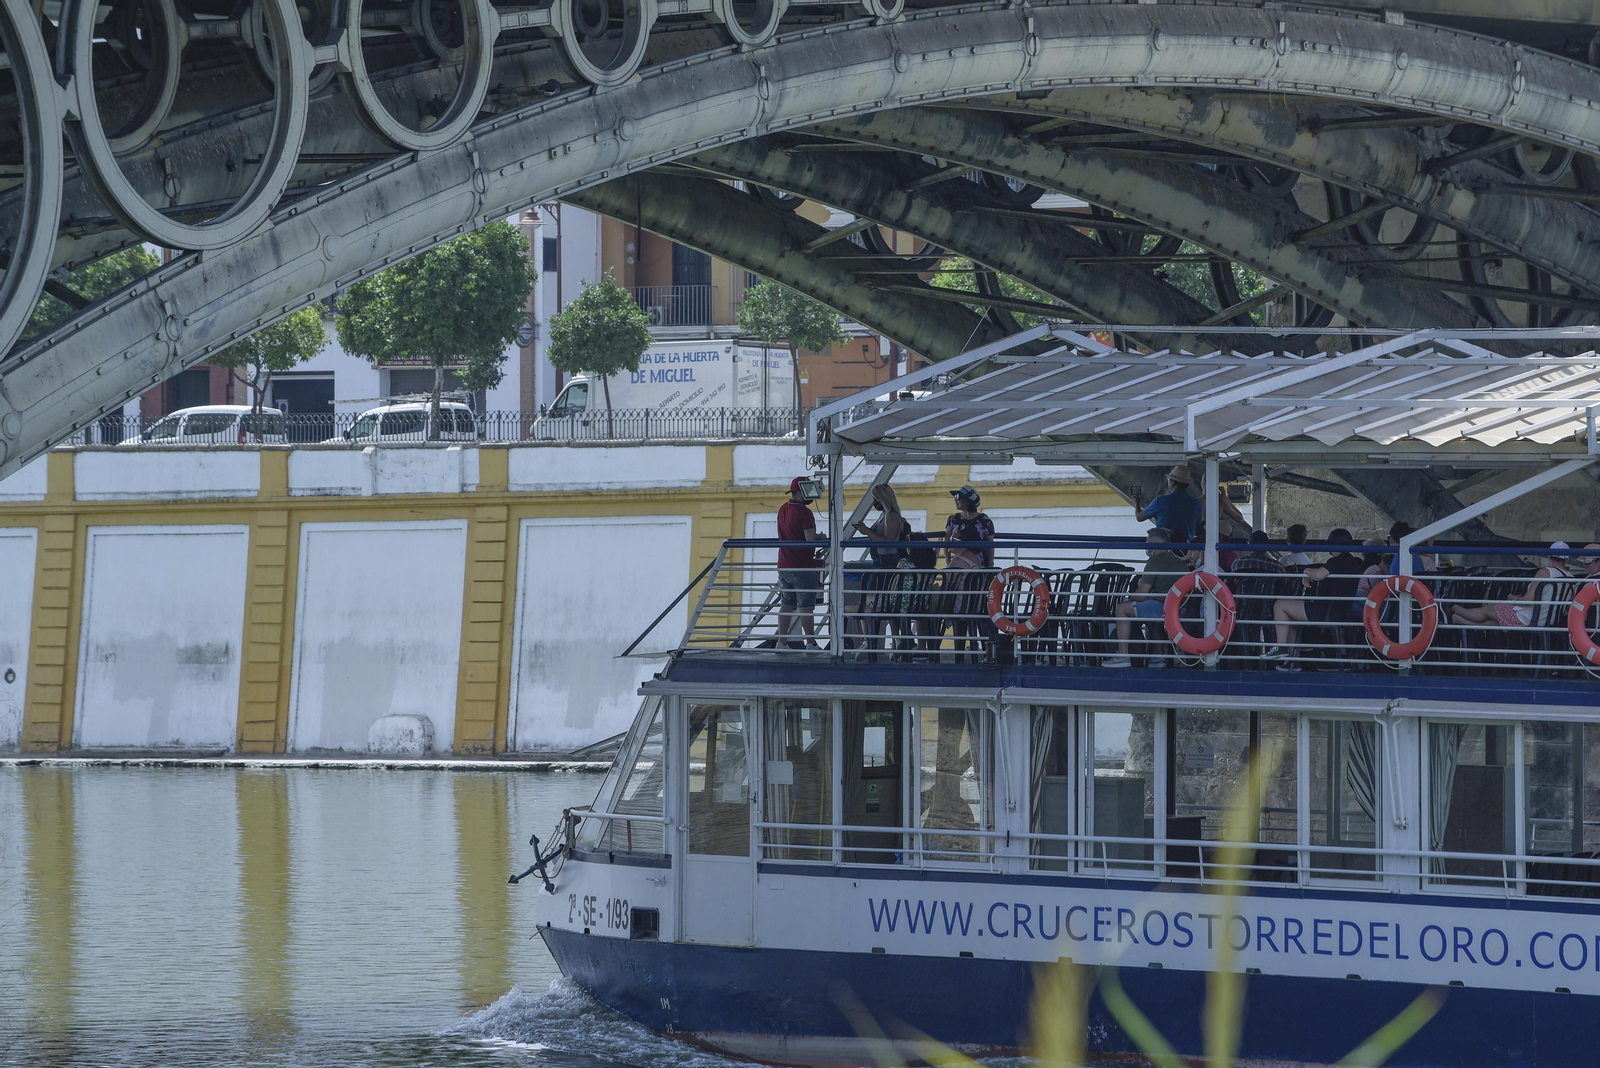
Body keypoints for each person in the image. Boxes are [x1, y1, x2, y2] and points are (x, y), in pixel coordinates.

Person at [1264, 528, 1365, 667]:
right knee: (1290, 616)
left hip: (1325, 612)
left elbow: (1318, 575)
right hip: (1342, 612)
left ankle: (1281, 647)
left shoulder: (1336, 561)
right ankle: (1293, 660)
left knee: (1280, 605)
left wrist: (1305, 571)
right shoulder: (1353, 562)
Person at [1104, 528, 1189, 669]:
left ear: (1155, 544)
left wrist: (1128, 599)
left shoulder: (1154, 563)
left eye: (1147, 541)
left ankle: (1122, 656)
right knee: (1151, 617)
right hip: (1180, 607)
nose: (1146, 545)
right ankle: (1158, 656)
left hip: (1165, 608)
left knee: (1122, 609)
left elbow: (1141, 594)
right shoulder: (1178, 562)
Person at [1450, 543, 1574, 630]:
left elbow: (1527, 600)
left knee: (1489, 608)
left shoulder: (1545, 572)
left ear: (1549, 556)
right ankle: (1460, 620)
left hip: (1529, 619)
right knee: (1497, 621)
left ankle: (1454, 607)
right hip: (1550, 621)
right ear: (1567, 559)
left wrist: (1513, 598)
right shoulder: (1572, 578)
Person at [854, 484, 912, 650]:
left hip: (886, 564)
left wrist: (867, 532)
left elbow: (888, 539)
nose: (874, 502)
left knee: (870, 603)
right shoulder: (884, 516)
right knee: (886, 604)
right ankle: (893, 640)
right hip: (880, 563)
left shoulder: (891, 517)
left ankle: (870, 642)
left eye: (876, 498)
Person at [943, 484, 996, 659]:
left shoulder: (984, 520)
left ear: (970, 500)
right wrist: (950, 562)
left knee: (974, 603)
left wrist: (989, 567)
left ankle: (980, 649)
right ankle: (960, 649)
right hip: (957, 568)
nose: (957, 501)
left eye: (961, 498)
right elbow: (947, 543)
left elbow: (989, 546)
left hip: (976, 570)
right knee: (956, 602)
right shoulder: (953, 519)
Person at [776, 475, 827, 648]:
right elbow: (810, 539)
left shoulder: (782, 509)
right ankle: (811, 643)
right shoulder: (805, 513)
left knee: (786, 604)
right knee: (806, 606)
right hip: (802, 566)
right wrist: (822, 537)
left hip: (784, 564)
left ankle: (781, 642)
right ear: (801, 493)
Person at [1133, 466, 1201, 541]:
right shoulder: (1196, 504)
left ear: (1172, 482)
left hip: (1164, 547)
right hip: (1186, 549)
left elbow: (1139, 517)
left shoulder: (1160, 501)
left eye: (1168, 479)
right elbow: (1197, 525)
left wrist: (1136, 503)